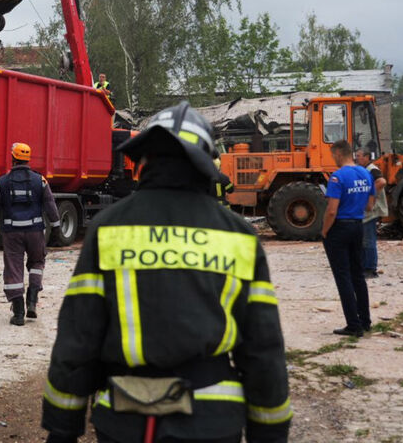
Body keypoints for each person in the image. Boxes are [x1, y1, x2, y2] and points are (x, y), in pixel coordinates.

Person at [42, 102, 291, 443]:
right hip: (212, 423)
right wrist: (271, 433)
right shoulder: (238, 236)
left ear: (143, 162)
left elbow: (77, 338)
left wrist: (62, 428)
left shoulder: (107, 229)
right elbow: (263, 348)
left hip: (125, 422)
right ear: (206, 162)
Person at [0, 142, 61, 326]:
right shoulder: (40, 181)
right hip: (35, 232)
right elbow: (50, 203)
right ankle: (32, 301)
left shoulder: (2, 182)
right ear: (28, 159)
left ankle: (18, 313)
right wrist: (56, 226)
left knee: (13, 268)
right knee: (37, 262)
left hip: (12, 234)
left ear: (13, 158)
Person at [321, 140, 375, 337]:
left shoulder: (337, 177)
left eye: (332, 155)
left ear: (337, 153)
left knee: (343, 277)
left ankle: (353, 325)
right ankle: (365, 320)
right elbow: (370, 206)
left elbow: (331, 210)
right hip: (357, 226)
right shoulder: (366, 173)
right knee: (358, 276)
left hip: (339, 229)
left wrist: (324, 231)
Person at [354, 148, 388, 278]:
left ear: (367, 157)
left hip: (372, 209)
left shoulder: (372, 169)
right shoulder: (364, 170)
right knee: (364, 239)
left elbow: (381, 182)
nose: (357, 158)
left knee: (368, 240)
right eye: (356, 156)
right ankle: (364, 267)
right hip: (368, 209)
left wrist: (367, 194)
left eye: (359, 156)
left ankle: (370, 269)